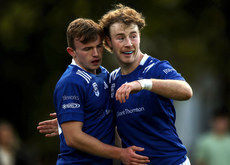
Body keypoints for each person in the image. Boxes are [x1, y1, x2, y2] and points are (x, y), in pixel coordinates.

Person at [38, 4, 193, 165]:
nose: (128, 43)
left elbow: (186, 91)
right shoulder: (110, 79)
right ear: (108, 42)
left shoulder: (156, 68)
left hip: (172, 161)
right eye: (120, 37)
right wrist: (68, 122)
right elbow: (104, 115)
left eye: (133, 36)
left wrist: (143, 84)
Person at [38, 18, 149, 165]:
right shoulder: (71, 82)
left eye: (99, 46)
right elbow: (73, 138)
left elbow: (103, 114)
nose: (96, 54)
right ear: (72, 52)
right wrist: (120, 153)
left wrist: (70, 120)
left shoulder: (104, 74)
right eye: (87, 49)